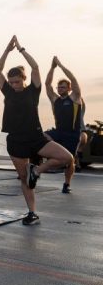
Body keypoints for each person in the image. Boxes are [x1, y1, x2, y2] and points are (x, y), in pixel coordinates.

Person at [0, 36, 72, 225]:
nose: (14, 85)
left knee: (67, 158)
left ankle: (36, 170)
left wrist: (20, 49)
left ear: (24, 79)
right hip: (16, 140)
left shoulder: (33, 90)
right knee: (24, 179)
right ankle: (32, 213)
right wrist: (6, 50)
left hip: (35, 137)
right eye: (11, 82)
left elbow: (36, 67)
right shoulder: (8, 92)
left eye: (17, 82)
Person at [44, 56, 85, 193]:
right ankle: (42, 160)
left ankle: (66, 184)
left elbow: (73, 79)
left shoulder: (75, 97)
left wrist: (60, 65)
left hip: (72, 134)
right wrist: (52, 68)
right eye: (59, 87)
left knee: (69, 161)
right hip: (58, 131)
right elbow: (47, 84)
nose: (60, 89)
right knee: (41, 136)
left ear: (68, 88)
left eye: (63, 87)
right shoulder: (55, 99)